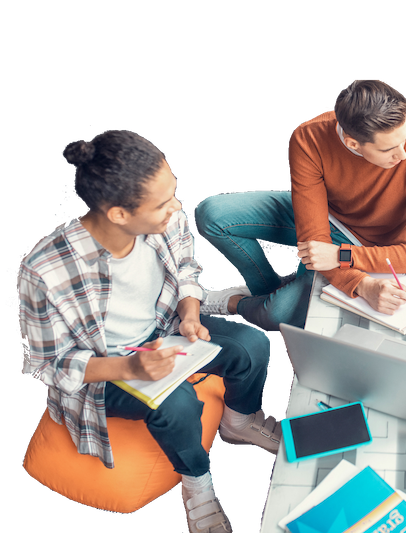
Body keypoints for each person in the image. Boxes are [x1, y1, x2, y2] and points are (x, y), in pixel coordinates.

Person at [18, 130, 282, 533]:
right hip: (105, 370)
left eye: (173, 193)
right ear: (120, 214)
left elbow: (184, 270)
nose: (176, 208)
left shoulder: (168, 219)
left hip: (163, 330)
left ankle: (237, 422)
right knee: (175, 403)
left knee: (252, 345)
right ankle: (196, 483)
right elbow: (51, 365)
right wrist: (132, 371)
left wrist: (190, 313)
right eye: (162, 203)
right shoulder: (44, 272)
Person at [193, 78, 406, 330]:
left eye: (404, 139)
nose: (402, 155)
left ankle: (236, 303)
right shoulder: (308, 138)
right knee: (211, 214)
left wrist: (347, 264)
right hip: (323, 219)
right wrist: (352, 279)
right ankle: (269, 289)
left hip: (369, 246)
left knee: (275, 315)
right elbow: (314, 238)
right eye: (389, 149)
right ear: (352, 143)